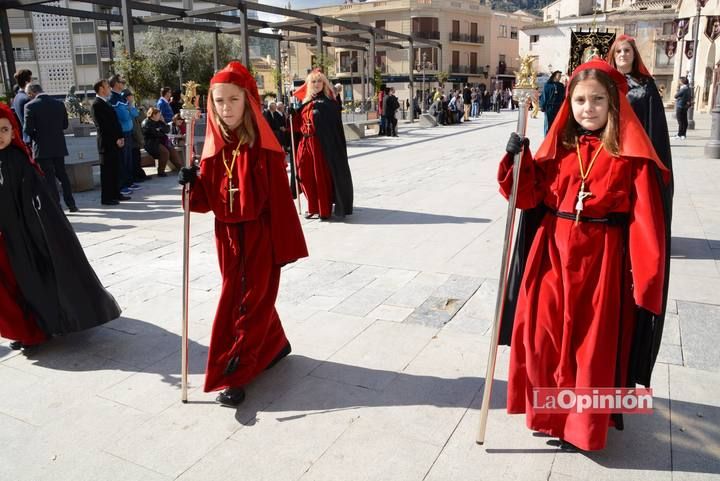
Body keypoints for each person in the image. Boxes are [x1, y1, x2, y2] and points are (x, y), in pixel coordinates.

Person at [497, 59, 670, 451]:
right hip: (551, 256)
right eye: (579, 100)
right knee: (543, 340)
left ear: (612, 104)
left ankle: (580, 428)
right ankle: (547, 414)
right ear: (568, 104)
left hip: (601, 263)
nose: (587, 108)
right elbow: (526, 197)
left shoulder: (631, 157)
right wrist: (516, 161)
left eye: (596, 100)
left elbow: (646, 221)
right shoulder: (557, 148)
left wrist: (646, 279)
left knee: (589, 350)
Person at [177, 61, 308, 407]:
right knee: (248, 300)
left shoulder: (263, 148)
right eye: (218, 101)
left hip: (260, 237)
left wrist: (284, 248)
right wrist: (190, 185)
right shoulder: (213, 149)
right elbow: (204, 203)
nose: (225, 108)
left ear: (247, 101)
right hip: (227, 239)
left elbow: (281, 204)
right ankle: (275, 345)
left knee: (244, 305)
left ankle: (234, 373)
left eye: (232, 100)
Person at [0, 103, 121, 351]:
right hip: (6, 238)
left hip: (22, 237)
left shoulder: (18, 160)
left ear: (13, 131)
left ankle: (35, 329)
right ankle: (24, 329)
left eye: (4, 129)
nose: (0, 136)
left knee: (26, 283)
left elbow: (35, 201)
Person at [607, 37, 673, 355]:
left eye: (628, 51)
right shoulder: (606, 85)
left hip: (634, 159)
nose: (623, 55)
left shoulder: (645, 88)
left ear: (634, 55)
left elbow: (653, 130)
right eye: (618, 51)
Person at [292, 69, 354, 220]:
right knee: (304, 175)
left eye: (319, 81)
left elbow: (333, 127)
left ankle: (323, 209)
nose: (317, 84)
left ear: (324, 83)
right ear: (309, 84)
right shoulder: (305, 102)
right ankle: (313, 206)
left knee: (319, 176)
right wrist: (292, 114)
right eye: (313, 81)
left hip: (321, 145)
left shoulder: (329, 103)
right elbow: (295, 126)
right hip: (305, 143)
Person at [22, 83, 78, 212]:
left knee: (49, 177)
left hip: (42, 147)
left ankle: (56, 206)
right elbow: (65, 125)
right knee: (62, 175)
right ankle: (71, 204)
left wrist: (38, 135)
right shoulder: (58, 103)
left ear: (31, 93)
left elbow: (27, 129)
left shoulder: (30, 106)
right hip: (58, 145)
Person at [142, 107, 182, 177]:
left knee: (172, 150)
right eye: (158, 114)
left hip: (161, 141)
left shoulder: (159, 122)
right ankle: (161, 171)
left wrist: (162, 122)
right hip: (151, 143)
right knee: (165, 152)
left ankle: (180, 168)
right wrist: (161, 132)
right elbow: (154, 134)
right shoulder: (146, 123)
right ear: (153, 115)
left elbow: (167, 129)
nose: (160, 116)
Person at [539, 70, 565, 135]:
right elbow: (544, 96)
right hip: (549, 108)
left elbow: (563, 96)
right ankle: (547, 138)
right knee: (548, 124)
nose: (560, 77)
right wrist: (542, 106)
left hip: (558, 107)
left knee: (557, 123)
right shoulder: (547, 85)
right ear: (554, 76)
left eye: (560, 76)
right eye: (559, 76)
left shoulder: (561, 85)